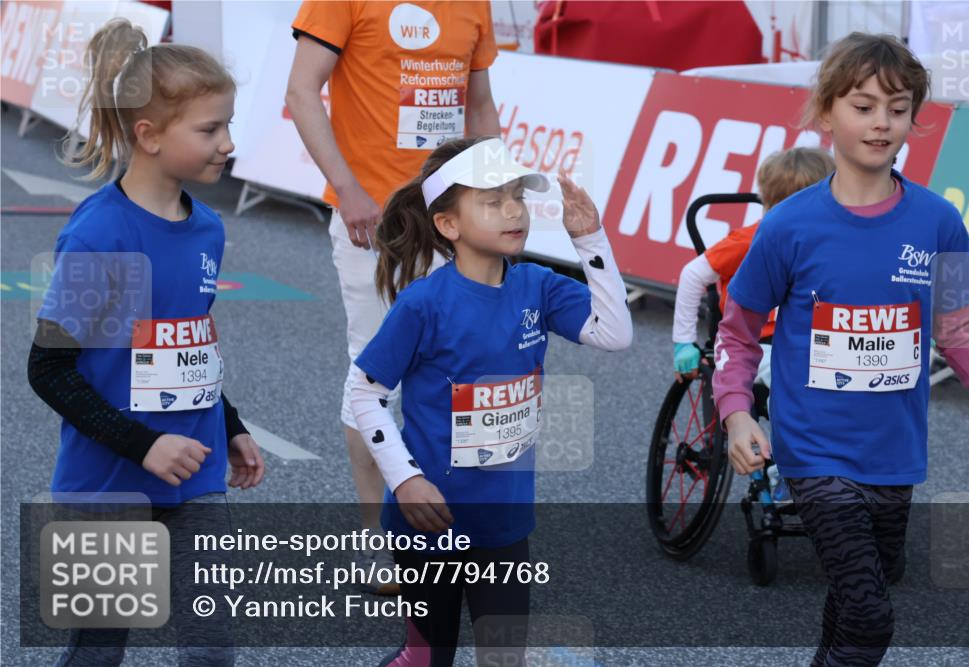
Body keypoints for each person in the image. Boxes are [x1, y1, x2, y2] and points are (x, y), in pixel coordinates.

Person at [713, 32, 969, 666]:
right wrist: (737, 412)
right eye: (863, 106)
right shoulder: (788, 226)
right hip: (814, 451)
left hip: (895, 452)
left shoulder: (939, 221)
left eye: (898, 109)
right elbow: (737, 332)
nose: (882, 124)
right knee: (871, 619)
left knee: (858, 597)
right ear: (826, 112)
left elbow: (962, 332)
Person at [27, 19, 264, 666]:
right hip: (109, 481)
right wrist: (145, 443)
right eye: (210, 129)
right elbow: (49, 368)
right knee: (99, 650)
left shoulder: (209, 228)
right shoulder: (100, 233)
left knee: (213, 649)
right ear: (149, 136)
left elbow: (188, 345)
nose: (228, 144)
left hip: (197, 474)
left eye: (228, 125)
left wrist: (232, 423)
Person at [349, 136, 632, 665]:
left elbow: (613, 333)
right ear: (449, 225)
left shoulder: (538, 287)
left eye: (516, 198)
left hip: (504, 522)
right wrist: (406, 479)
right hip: (429, 522)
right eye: (492, 199)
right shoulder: (424, 304)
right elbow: (363, 392)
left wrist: (590, 239)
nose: (512, 211)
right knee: (427, 659)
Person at [285, 1, 502, 593]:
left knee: (467, 370)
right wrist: (348, 189)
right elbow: (302, 92)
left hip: (453, 218)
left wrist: (498, 199)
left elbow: (477, 105)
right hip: (376, 218)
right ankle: (378, 539)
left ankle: (456, 528)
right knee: (377, 375)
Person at [672, 146, 834, 501]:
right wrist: (683, 342)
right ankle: (786, 471)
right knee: (794, 383)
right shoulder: (749, 239)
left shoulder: (828, 244)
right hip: (753, 345)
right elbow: (692, 274)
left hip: (805, 342)